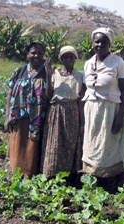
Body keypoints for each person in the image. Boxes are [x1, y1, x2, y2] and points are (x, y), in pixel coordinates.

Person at [82, 27, 124, 185]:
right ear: (92, 43)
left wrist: (120, 116)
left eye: (104, 41)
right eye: (97, 41)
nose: (100, 44)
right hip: (91, 110)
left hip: (110, 110)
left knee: (109, 144)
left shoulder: (118, 62)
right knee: (93, 143)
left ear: (110, 44)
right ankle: (93, 176)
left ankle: (111, 179)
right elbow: (85, 88)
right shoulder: (88, 63)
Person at [41, 46, 85, 182]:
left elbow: (81, 99)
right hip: (56, 111)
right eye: (65, 57)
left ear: (75, 58)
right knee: (55, 143)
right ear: (61, 59)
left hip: (73, 111)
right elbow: (49, 95)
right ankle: (51, 174)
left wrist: (82, 122)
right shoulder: (55, 74)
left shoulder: (80, 76)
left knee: (71, 143)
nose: (68, 59)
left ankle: (70, 175)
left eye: (71, 56)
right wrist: (48, 75)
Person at [5, 41, 48, 177]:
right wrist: (7, 117)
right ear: (27, 54)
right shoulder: (19, 71)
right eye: (33, 53)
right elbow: (10, 94)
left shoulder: (47, 73)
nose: (36, 56)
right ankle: (16, 173)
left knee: (33, 148)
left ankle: (30, 174)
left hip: (38, 119)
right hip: (19, 117)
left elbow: (51, 95)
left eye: (39, 53)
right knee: (18, 145)